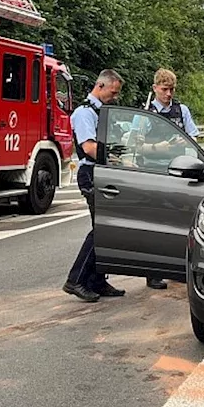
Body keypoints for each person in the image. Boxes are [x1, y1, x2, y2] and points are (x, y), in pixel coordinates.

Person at [63, 69, 126, 302]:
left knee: (104, 229)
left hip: (101, 171)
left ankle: (97, 281)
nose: (115, 96)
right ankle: (76, 279)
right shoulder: (84, 113)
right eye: (113, 92)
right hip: (90, 172)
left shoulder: (101, 112)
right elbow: (89, 147)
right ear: (100, 87)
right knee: (101, 229)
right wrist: (117, 155)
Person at [140, 68, 199, 289]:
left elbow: (192, 135)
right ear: (155, 88)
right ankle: (153, 272)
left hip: (178, 172)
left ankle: (175, 268)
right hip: (154, 172)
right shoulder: (145, 113)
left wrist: (183, 143)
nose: (169, 94)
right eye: (165, 89)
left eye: (172, 89)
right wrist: (158, 147)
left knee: (179, 223)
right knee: (155, 225)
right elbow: (136, 146)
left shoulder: (181, 110)